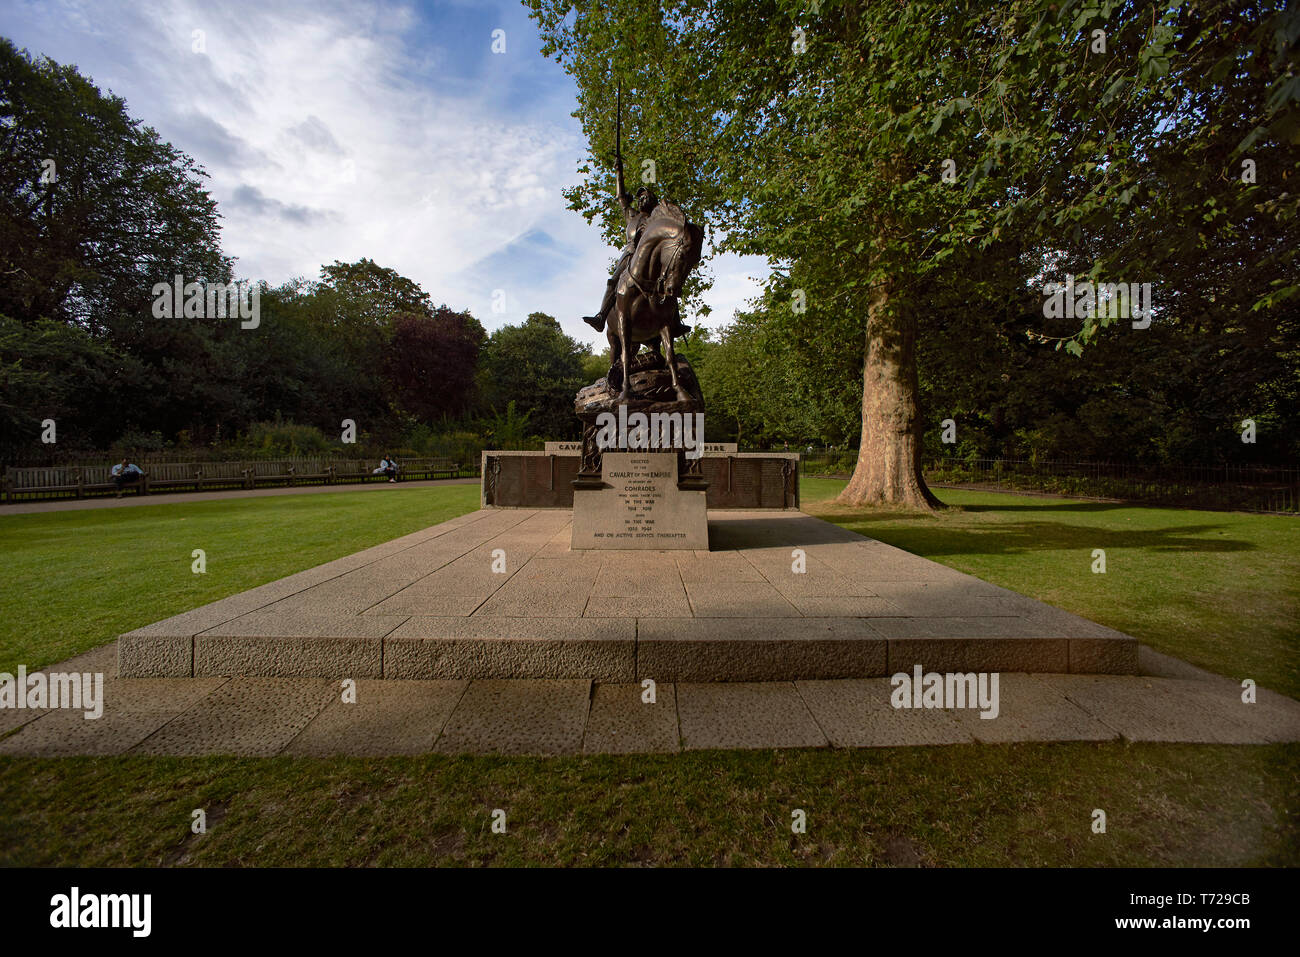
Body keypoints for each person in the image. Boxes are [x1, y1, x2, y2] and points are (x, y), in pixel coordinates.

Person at [582, 156, 690, 339]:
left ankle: (675, 322)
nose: (642, 200)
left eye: (646, 197)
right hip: (631, 254)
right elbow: (621, 197)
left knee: (666, 282)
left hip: (650, 258)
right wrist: (618, 173)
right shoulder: (631, 215)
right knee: (614, 280)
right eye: (640, 198)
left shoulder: (656, 219)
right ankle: (601, 316)